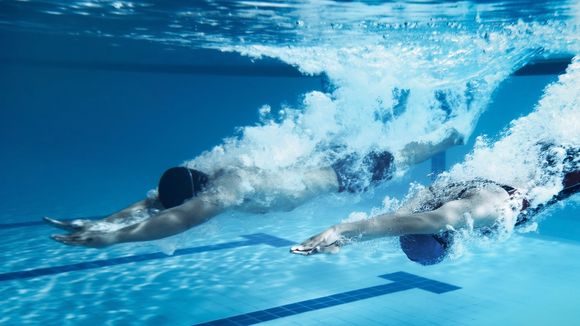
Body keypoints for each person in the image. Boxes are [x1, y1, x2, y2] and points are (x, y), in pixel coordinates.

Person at [44, 129, 464, 248]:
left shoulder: (228, 189)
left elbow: (177, 219)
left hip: (344, 173)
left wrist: (113, 240)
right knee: (394, 143)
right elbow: (156, 202)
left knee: (411, 151)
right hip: (326, 159)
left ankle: (452, 135)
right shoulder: (207, 171)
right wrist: (101, 221)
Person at [291, 144, 579, 265]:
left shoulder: (478, 212)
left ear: (446, 239)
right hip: (551, 161)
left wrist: (340, 230)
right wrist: (346, 243)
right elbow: (397, 220)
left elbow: (428, 222)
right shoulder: (429, 199)